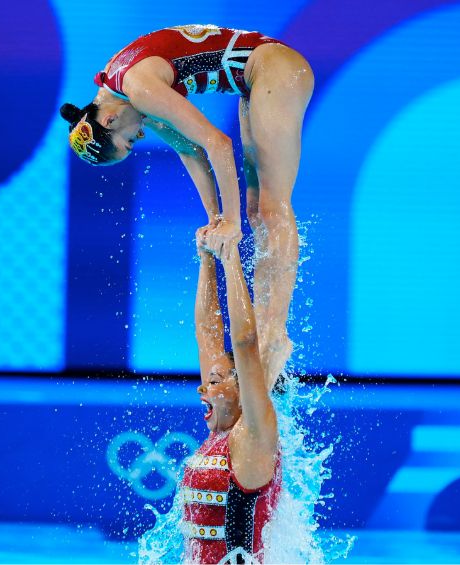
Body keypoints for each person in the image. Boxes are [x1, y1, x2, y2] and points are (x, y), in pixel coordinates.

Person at [59, 24, 314, 389]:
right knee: (258, 211)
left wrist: (230, 223)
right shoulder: (124, 92)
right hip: (257, 79)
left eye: (129, 140)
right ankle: (263, 330)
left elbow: (218, 144)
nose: (141, 135)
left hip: (277, 69)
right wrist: (216, 218)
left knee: (272, 207)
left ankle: (275, 336)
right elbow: (189, 148)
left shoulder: (138, 89)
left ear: (110, 120)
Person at [179, 225, 280, 564]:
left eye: (217, 380)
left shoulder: (254, 435)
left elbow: (245, 344)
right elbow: (207, 334)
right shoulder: (223, 433)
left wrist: (230, 257)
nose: (202, 387)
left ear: (243, 388)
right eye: (208, 380)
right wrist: (206, 258)